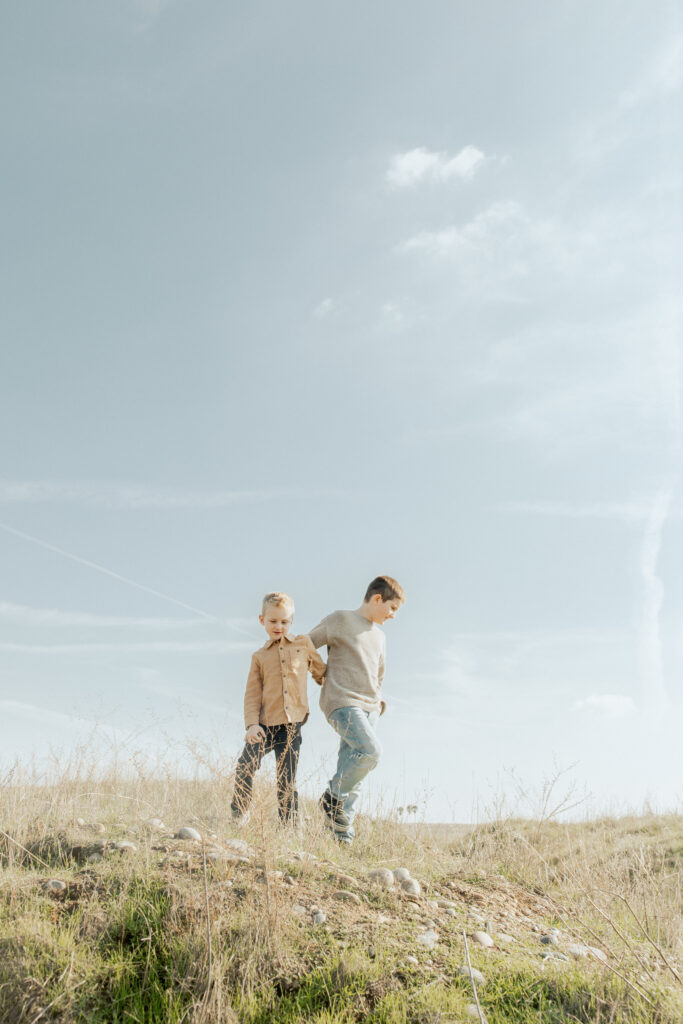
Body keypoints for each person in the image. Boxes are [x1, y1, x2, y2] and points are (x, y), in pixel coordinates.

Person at [309, 575, 405, 843]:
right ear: (377, 599)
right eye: (392, 608)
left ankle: (342, 838)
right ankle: (331, 797)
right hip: (342, 702)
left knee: (356, 776)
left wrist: (378, 700)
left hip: (370, 708)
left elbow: (379, 673)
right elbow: (305, 645)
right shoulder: (340, 619)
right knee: (372, 752)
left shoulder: (380, 636)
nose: (393, 615)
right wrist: (318, 671)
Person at [231, 591, 326, 825]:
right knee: (244, 766)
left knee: (286, 778)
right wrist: (252, 725)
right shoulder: (259, 657)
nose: (278, 626)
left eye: (284, 622)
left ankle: (289, 827)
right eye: (273, 621)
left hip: (291, 725)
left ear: (291, 621)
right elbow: (252, 694)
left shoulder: (303, 645)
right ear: (262, 620)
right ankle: (238, 815)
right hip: (263, 726)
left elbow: (322, 673)